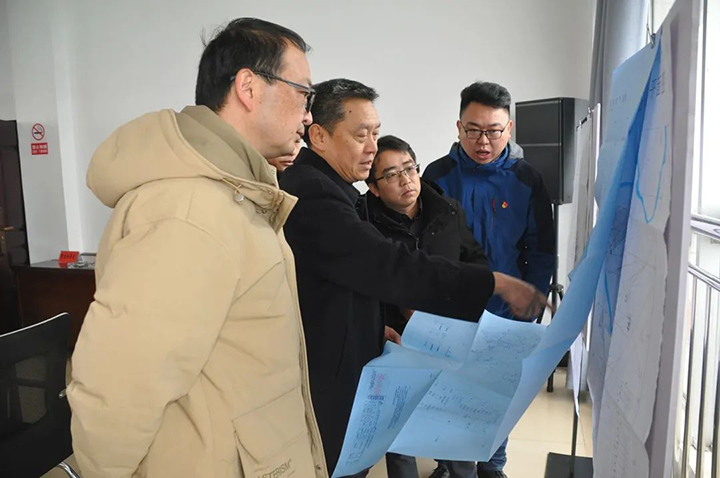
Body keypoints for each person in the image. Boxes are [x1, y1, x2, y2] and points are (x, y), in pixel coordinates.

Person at [67, 18, 328, 478]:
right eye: (304, 93)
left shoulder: (235, 196)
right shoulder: (189, 209)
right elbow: (119, 389)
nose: (309, 115)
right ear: (249, 87)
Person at [280, 78, 549, 477]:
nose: (372, 147)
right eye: (361, 135)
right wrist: (496, 283)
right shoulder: (318, 195)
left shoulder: (346, 191)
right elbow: (389, 266)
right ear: (318, 136)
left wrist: (374, 327)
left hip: (448, 333)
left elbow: (354, 276)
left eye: (375, 133)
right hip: (333, 378)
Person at [424, 81, 555, 478]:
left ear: (509, 129)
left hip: (505, 312)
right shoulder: (436, 176)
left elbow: (541, 250)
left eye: (494, 131)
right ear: (458, 127)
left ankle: (492, 465)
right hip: (450, 309)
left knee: (498, 393)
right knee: (447, 390)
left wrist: (529, 306)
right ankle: (448, 462)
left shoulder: (527, 180)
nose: (483, 141)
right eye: (473, 130)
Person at [365, 134, 486, 478]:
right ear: (374, 187)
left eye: (409, 169)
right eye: (392, 175)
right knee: (399, 437)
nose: (406, 180)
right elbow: (361, 285)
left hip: (447, 338)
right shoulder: (362, 222)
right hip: (396, 343)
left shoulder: (448, 211)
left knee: (455, 430)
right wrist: (389, 317)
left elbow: (476, 263)